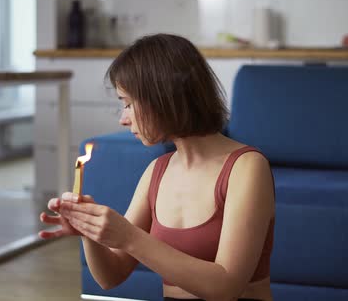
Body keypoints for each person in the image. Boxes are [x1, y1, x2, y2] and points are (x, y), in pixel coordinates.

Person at [39, 33, 275, 301]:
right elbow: (110, 277)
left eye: (128, 104)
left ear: (163, 97)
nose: (123, 119)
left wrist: (130, 237)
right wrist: (90, 234)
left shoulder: (247, 167)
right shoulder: (157, 171)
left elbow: (225, 287)